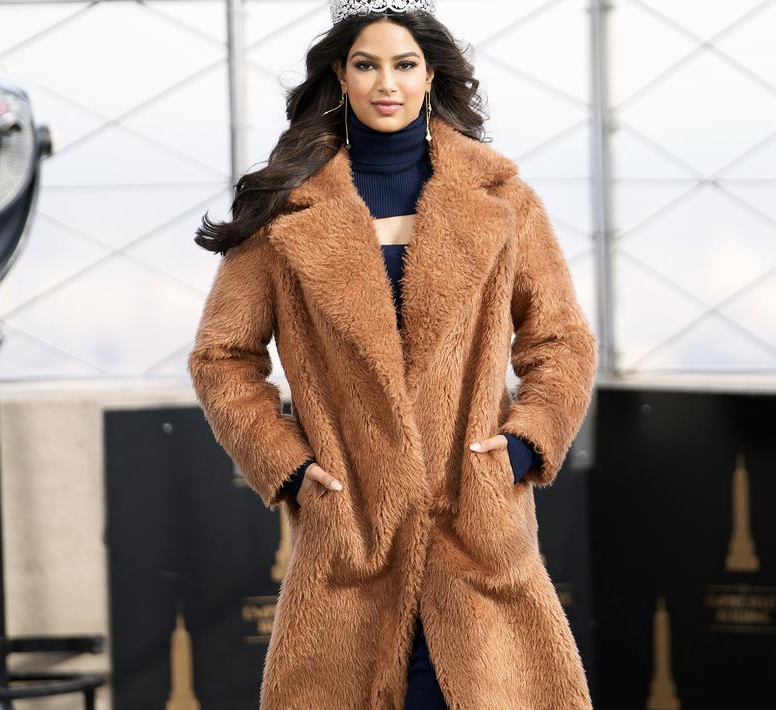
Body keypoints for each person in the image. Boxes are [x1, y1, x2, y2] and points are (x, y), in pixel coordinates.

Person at [188, 1, 598, 707]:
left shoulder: (501, 199)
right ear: (340, 78)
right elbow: (221, 355)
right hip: (350, 536)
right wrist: (288, 469)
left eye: (404, 64)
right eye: (367, 64)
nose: (387, 82)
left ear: (430, 75)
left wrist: (521, 452)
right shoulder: (288, 206)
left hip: (476, 532)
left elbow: (560, 338)